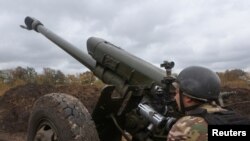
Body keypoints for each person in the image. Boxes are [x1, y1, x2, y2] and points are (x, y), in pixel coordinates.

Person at [167, 66, 250, 141]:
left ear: (188, 98)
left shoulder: (184, 126)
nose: (175, 97)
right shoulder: (230, 115)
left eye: (177, 92)